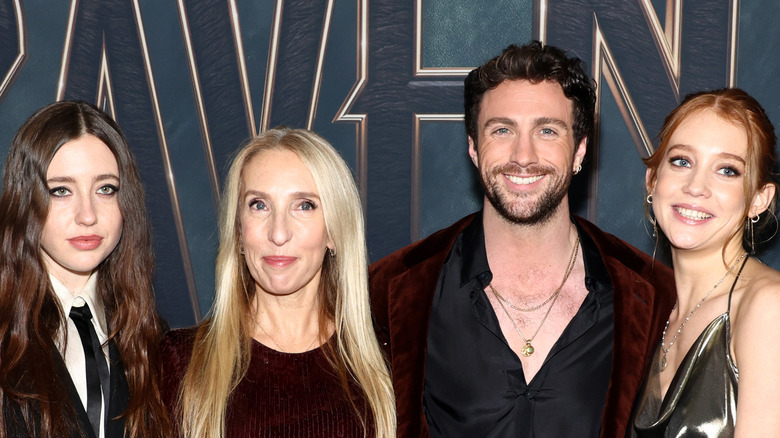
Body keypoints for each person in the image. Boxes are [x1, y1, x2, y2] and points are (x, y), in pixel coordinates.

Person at [369, 41, 676, 438]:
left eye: (547, 130)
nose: (524, 155)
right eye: (502, 130)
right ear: (473, 148)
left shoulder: (655, 298)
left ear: (580, 150)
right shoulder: (389, 291)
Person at [161, 128, 396, 438]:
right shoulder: (184, 362)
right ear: (238, 232)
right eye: (259, 205)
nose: (279, 233)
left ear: (333, 233)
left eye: (304, 205)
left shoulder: (388, 362)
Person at [0, 101, 171, 437]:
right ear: (25, 199)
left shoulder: (153, 340)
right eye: (61, 191)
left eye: (105, 189)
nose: (88, 215)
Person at [630, 88, 780, 436]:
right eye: (681, 161)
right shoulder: (649, 314)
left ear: (759, 198)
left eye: (727, 170)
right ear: (653, 180)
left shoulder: (767, 308)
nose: (696, 186)